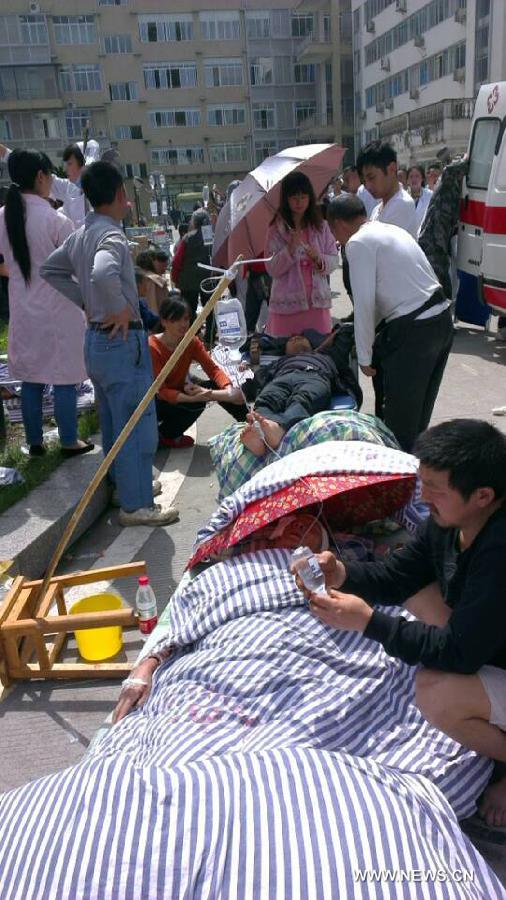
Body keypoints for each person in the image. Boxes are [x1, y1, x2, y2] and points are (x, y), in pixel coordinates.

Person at [294, 418, 506, 826]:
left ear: (483, 495)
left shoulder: (499, 551)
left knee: (434, 692)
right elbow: (397, 576)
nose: (423, 497)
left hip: (481, 648)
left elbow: (459, 655)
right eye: (422, 483)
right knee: (417, 590)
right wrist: (341, 573)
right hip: (488, 641)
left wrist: (370, 623)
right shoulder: (449, 525)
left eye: (436, 490)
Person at [40, 160, 178, 527]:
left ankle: (124, 489)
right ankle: (137, 505)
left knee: (114, 422)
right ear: (120, 195)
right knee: (137, 423)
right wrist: (114, 305)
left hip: (96, 342)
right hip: (122, 340)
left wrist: (87, 302)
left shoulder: (82, 233)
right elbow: (103, 272)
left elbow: (50, 270)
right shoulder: (112, 236)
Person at [327, 195, 453, 451]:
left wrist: (364, 355)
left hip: (414, 331)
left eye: (333, 232)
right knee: (418, 422)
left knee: (399, 430)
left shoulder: (358, 243)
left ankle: (402, 486)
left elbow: (364, 303)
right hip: (441, 322)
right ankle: (418, 480)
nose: (336, 240)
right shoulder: (388, 230)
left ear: (338, 224)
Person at [0, 149, 92, 457]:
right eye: (50, 174)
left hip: (24, 309)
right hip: (59, 307)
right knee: (64, 376)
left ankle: (34, 443)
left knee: (31, 378)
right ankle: (68, 439)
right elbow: (77, 264)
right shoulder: (55, 220)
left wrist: (14, 272)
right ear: (41, 177)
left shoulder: (4, 216)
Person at [240, 329, 362, 456]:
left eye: (301, 338)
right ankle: (260, 435)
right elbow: (254, 382)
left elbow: (344, 333)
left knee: (302, 400)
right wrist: (243, 378)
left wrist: (333, 335)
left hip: (314, 375)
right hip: (282, 377)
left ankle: (278, 430)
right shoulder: (278, 362)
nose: (296, 338)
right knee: (266, 399)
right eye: (291, 340)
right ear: (285, 350)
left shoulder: (327, 355)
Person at [149, 293, 246, 449]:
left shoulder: (191, 342)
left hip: (180, 390)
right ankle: (165, 435)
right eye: (176, 320)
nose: (183, 324)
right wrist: (196, 398)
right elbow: (162, 391)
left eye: (186, 319)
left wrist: (228, 390)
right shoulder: (153, 347)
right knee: (198, 400)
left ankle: (250, 421)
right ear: (164, 322)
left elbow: (213, 370)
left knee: (216, 386)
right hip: (157, 402)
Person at [265, 172, 339, 338]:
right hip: (286, 308)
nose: (299, 202)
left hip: (316, 307)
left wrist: (319, 259)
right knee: (285, 357)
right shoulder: (276, 230)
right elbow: (271, 268)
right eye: (294, 197)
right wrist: (289, 249)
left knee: (318, 354)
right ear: (286, 199)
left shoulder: (321, 227)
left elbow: (334, 259)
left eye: (303, 197)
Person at [0, 141, 99, 228]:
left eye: (69, 164)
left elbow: (93, 145)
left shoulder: (102, 191)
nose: (65, 169)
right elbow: (29, 168)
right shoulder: (69, 187)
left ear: (84, 164)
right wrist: (6, 153)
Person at [357, 140, 418, 239]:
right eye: (364, 181)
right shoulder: (377, 209)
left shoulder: (402, 204)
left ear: (392, 168)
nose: (367, 186)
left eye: (371, 177)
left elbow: (377, 248)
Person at [171, 209, 212, 321]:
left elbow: (177, 260)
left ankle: (191, 335)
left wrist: (175, 277)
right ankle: (210, 335)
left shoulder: (187, 238)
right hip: (208, 278)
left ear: (193, 222)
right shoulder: (211, 237)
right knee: (210, 309)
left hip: (188, 280)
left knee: (189, 310)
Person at [135, 249, 168, 314]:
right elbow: (165, 305)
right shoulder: (157, 281)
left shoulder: (133, 276)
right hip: (156, 319)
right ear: (152, 261)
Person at [407, 164, 432, 234]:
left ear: (422, 179)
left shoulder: (429, 195)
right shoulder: (403, 197)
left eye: (417, 176)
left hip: (425, 236)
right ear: (407, 180)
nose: (414, 179)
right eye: (411, 177)